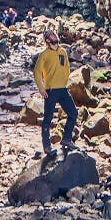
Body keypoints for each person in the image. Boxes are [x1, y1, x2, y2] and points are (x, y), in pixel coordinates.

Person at [33, 29, 77, 157]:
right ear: (47, 40)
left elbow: (67, 67)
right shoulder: (44, 54)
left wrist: (65, 80)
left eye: (54, 33)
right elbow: (37, 72)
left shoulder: (62, 51)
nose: (55, 35)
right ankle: (47, 146)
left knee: (73, 113)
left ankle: (66, 139)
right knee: (48, 119)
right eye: (51, 35)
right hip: (50, 90)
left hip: (63, 89)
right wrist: (41, 88)